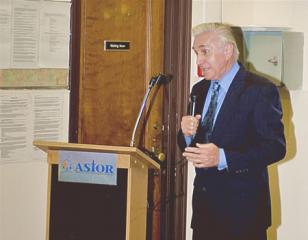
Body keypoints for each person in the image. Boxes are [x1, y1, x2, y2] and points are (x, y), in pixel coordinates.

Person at [177, 23, 286, 240]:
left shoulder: (260, 90)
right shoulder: (199, 90)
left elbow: (275, 148)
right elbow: (193, 147)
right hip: (204, 213)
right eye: (196, 52)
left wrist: (223, 158)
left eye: (204, 51)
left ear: (227, 51)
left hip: (242, 216)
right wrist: (186, 134)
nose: (199, 61)